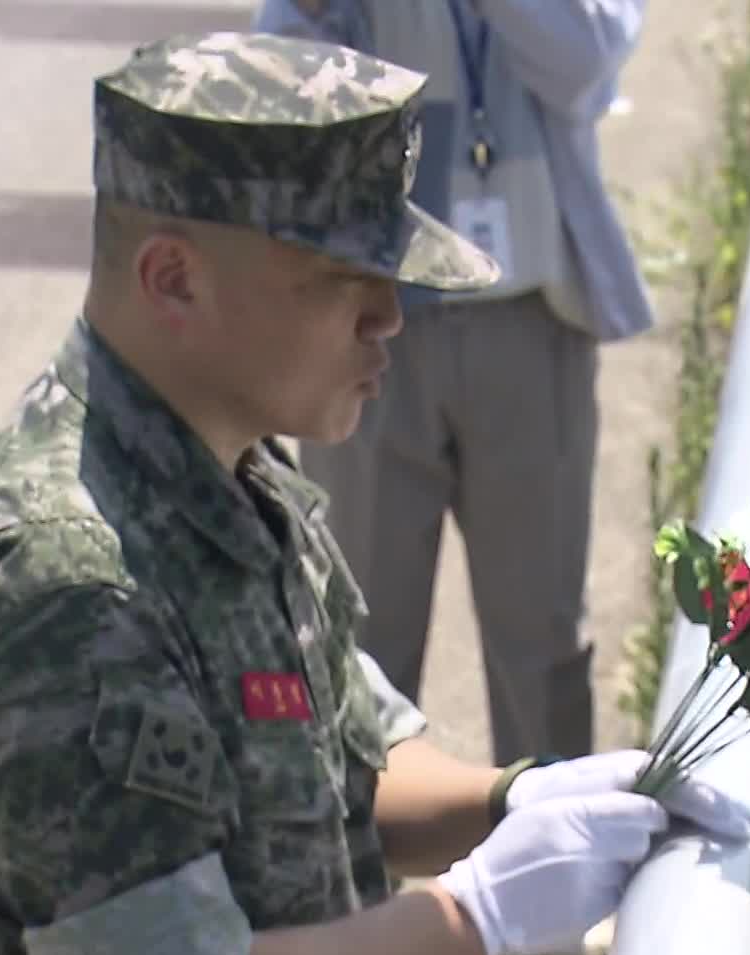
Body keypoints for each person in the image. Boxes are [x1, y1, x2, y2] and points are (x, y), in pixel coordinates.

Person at [0, 31, 747, 955]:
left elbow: (346, 764)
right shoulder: (69, 581)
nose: (394, 315)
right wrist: (472, 915)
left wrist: (514, 802)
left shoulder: (232, 474)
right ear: (174, 279)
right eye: (342, 279)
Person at [253, 0, 653, 770]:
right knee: (357, 643)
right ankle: (360, 877)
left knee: (541, 646)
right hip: (365, 318)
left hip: (531, 319)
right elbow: (286, 88)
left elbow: (586, 64)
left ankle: (555, 874)